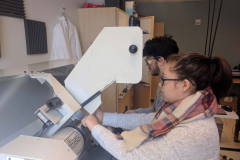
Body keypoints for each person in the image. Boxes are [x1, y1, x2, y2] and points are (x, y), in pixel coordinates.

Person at [82, 52, 233, 160]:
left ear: (184, 85)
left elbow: (130, 155)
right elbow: (152, 120)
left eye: (164, 79)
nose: (160, 84)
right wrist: (104, 118)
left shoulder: (190, 133)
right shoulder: (190, 109)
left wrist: (96, 128)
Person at [126, 35, 179, 114]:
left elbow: (160, 119)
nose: (147, 64)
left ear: (161, 60)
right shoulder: (163, 79)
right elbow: (156, 110)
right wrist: (135, 112)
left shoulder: (174, 86)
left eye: (149, 60)